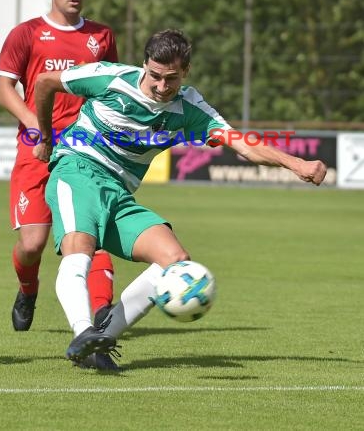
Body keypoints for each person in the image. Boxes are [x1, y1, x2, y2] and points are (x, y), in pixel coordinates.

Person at [32, 29, 327, 368]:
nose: (160, 86)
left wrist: (296, 164)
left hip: (119, 192)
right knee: (79, 248)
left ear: (185, 72)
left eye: (170, 79)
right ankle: (82, 332)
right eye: (154, 76)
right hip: (77, 170)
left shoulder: (189, 109)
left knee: (175, 260)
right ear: (144, 64)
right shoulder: (110, 78)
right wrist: (43, 136)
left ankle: (101, 342)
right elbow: (44, 82)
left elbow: (244, 144)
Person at [0, 0, 119, 370]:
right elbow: (4, 89)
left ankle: (99, 319)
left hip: (84, 151)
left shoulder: (101, 37)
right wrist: (36, 125)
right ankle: (28, 287)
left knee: (87, 236)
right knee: (31, 244)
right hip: (36, 149)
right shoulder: (26, 34)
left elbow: (107, 90)